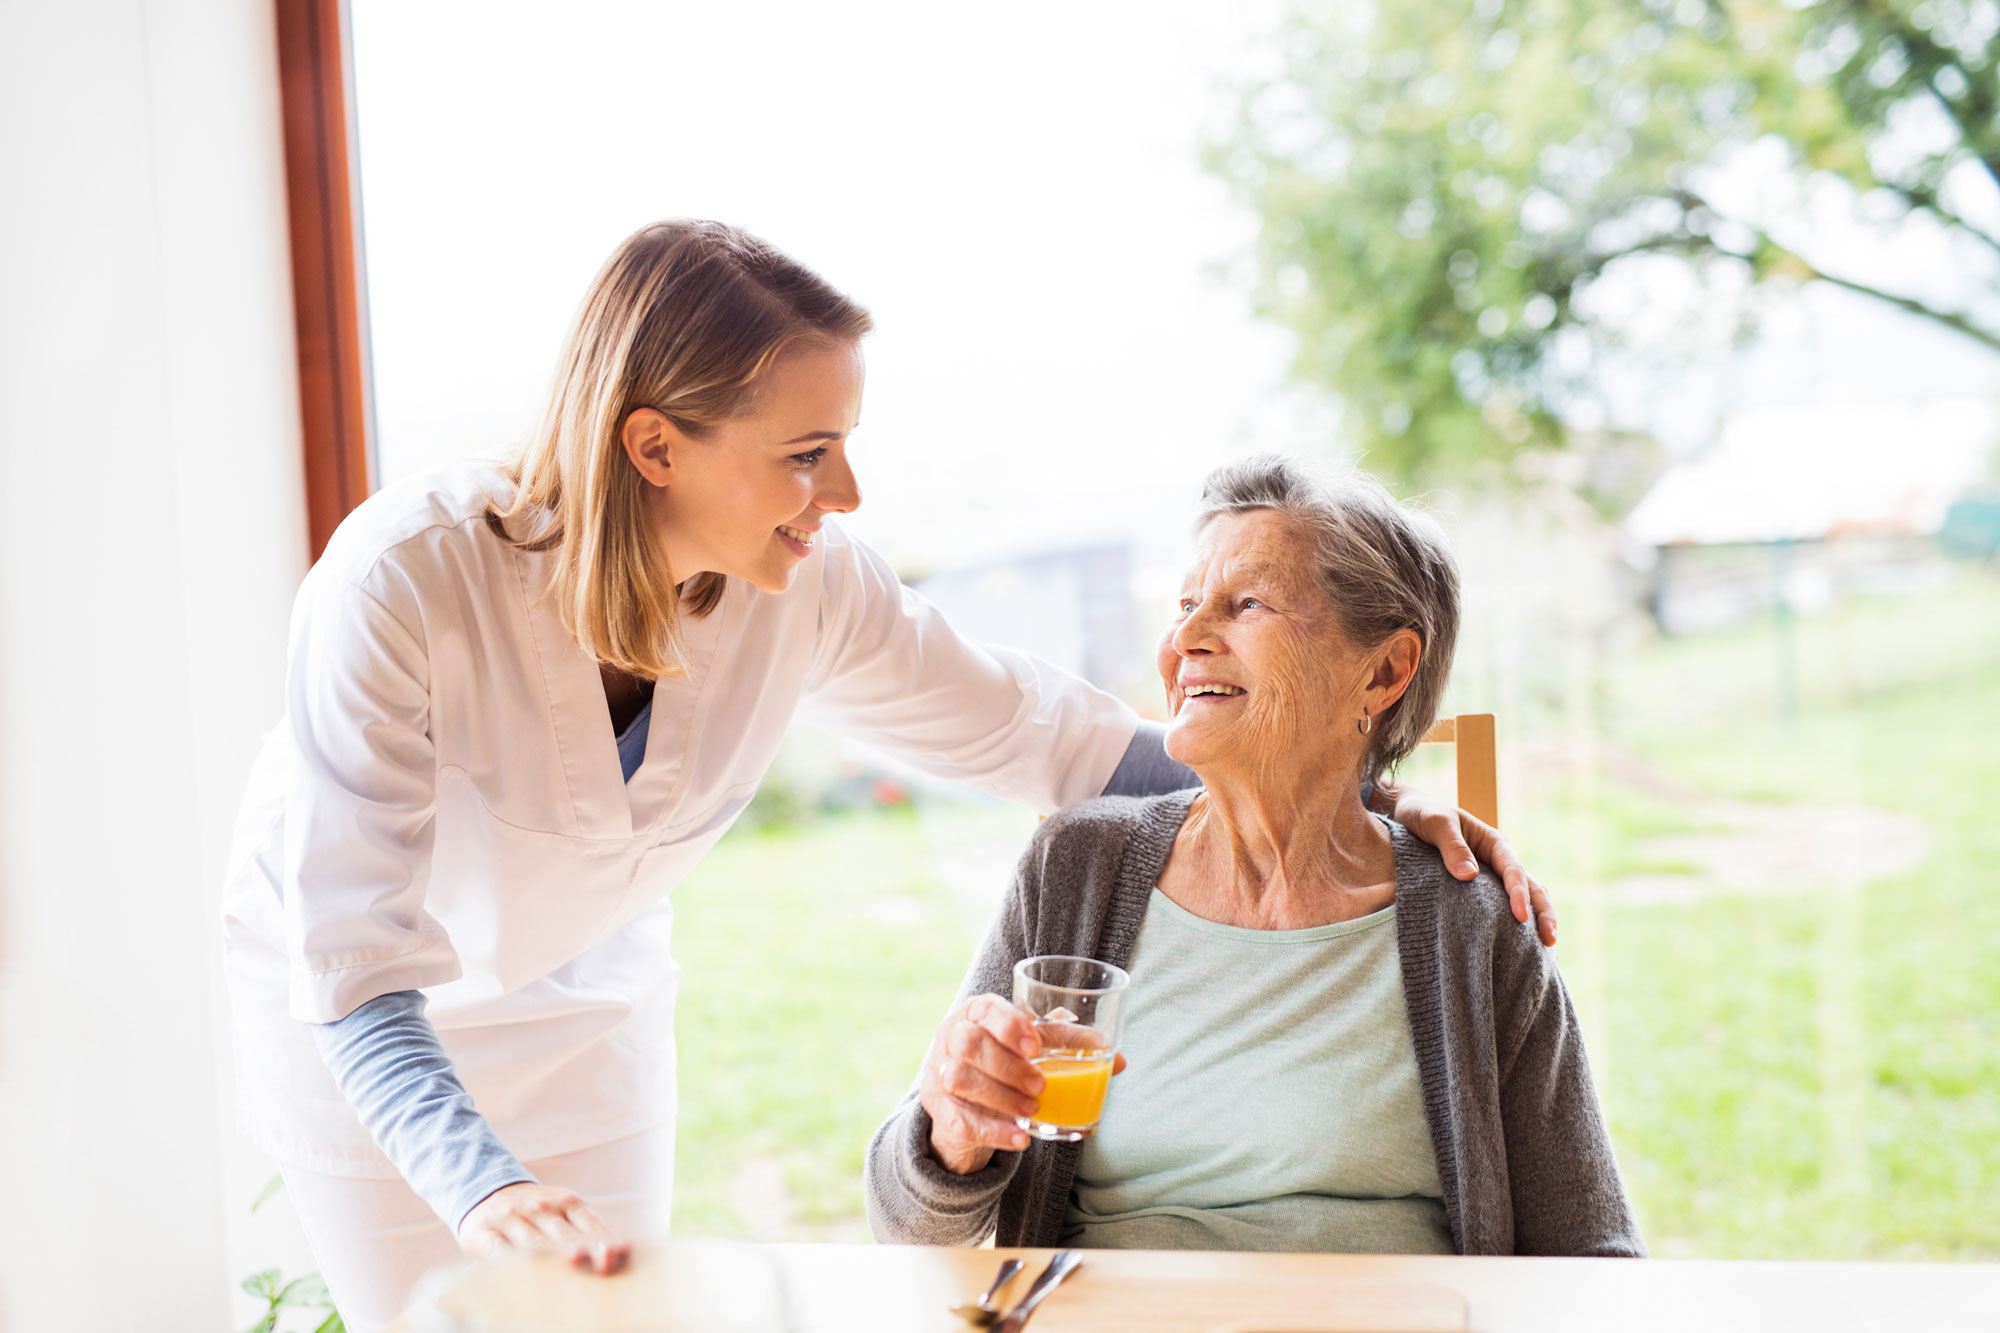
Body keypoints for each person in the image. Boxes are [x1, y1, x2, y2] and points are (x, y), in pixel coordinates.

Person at [221, 222, 1556, 1330]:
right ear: (654, 447)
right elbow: (355, 962)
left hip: (584, 1001)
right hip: (372, 1029)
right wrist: (483, 1189)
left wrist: (1367, 809)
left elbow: (1054, 739)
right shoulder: (405, 584)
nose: (846, 489)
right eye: (806, 453)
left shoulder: (804, 586)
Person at [865, 455, 1642, 1257]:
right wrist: (951, 1131)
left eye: (1246, 604)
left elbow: (1595, 1251)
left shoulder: (1469, 918)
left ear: (1383, 671)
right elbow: (907, 1224)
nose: (1187, 638)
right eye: (1186, 603)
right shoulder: (1075, 868)